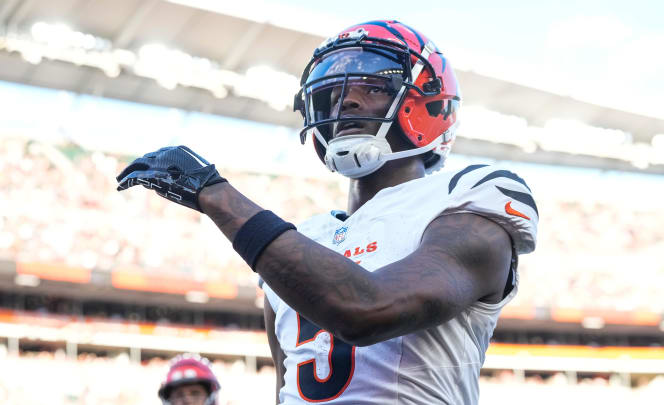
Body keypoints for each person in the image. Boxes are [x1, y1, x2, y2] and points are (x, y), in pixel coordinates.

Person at [118, 20, 538, 405]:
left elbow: (368, 310)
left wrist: (216, 195)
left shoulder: (468, 194)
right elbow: (286, 387)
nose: (346, 101)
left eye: (372, 86)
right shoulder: (303, 239)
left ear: (428, 102)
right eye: (334, 92)